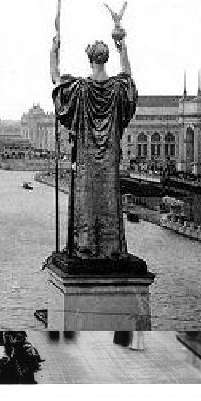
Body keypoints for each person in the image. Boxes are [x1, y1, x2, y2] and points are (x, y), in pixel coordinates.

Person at [51, 22, 137, 258]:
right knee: (109, 196)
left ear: (90, 59)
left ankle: (85, 245)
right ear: (106, 59)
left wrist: (53, 51)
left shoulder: (79, 89)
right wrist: (122, 44)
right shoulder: (118, 89)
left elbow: (56, 80)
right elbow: (128, 77)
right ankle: (111, 248)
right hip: (109, 156)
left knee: (86, 198)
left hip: (87, 157)